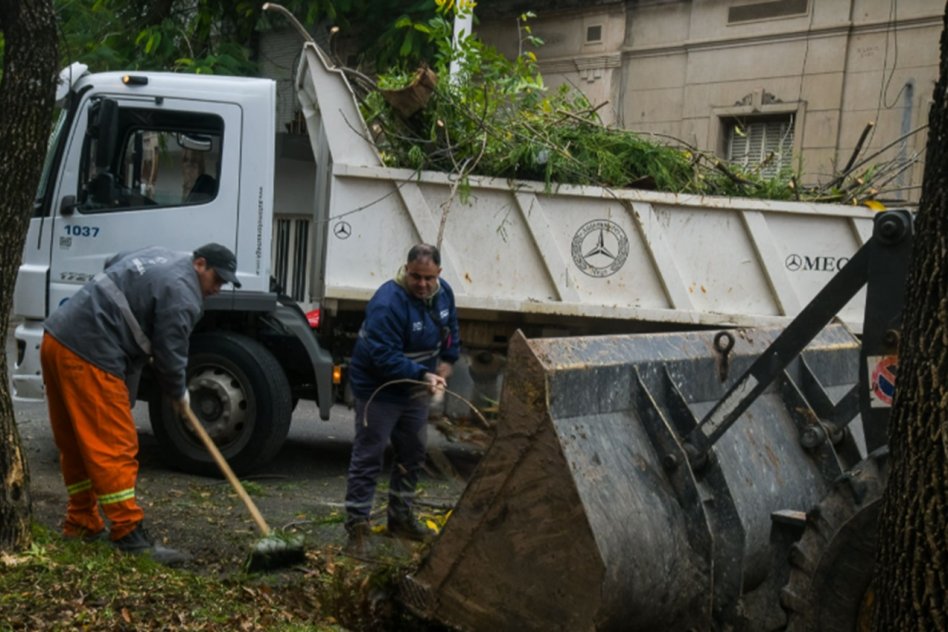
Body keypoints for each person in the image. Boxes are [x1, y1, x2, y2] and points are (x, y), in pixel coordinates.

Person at [40, 243, 241, 565]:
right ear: (200, 264)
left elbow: (113, 259)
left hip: (58, 338)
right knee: (115, 445)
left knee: (77, 444)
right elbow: (170, 353)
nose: (217, 289)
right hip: (91, 352)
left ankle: (81, 522)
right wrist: (178, 393)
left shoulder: (161, 254)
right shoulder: (184, 296)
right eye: (217, 280)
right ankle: (127, 532)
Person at [344, 243, 460, 551]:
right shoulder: (387, 303)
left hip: (415, 390)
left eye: (428, 278)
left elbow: (450, 329)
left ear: (439, 274)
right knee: (369, 454)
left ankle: (400, 519)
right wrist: (424, 374)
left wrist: (449, 357)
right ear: (405, 271)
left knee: (413, 453)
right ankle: (357, 525)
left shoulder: (444, 293)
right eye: (415, 277)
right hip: (379, 388)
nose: (422, 285)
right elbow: (382, 356)